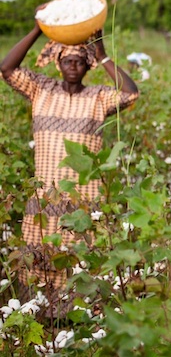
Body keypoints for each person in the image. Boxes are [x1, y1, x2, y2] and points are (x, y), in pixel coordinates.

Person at [0, 23, 139, 317]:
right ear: (58, 64)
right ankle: (41, 325)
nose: (73, 66)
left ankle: (78, 325)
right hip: (44, 199)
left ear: (87, 67)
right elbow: (7, 69)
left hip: (82, 203)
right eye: (67, 61)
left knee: (79, 264)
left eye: (79, 61)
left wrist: (102, 55)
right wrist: (39, 30)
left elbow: (130, 93)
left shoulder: (98, 97)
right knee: (38, 264)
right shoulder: (41, 90)